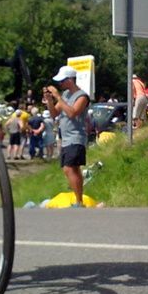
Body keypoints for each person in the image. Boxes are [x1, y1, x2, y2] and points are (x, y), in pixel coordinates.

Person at [43, 65, 90, 207]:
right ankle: (78, 200)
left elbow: (72, 113)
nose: (60, 84)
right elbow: (54, 114)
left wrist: (57, 96)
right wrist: (50, 101)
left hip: (76, 137)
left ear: (70, 80)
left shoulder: (82, 96)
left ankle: (79, 201)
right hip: (66, 138)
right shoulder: (65, 95)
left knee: (69, 168)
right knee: (71, 169)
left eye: (62, 81)